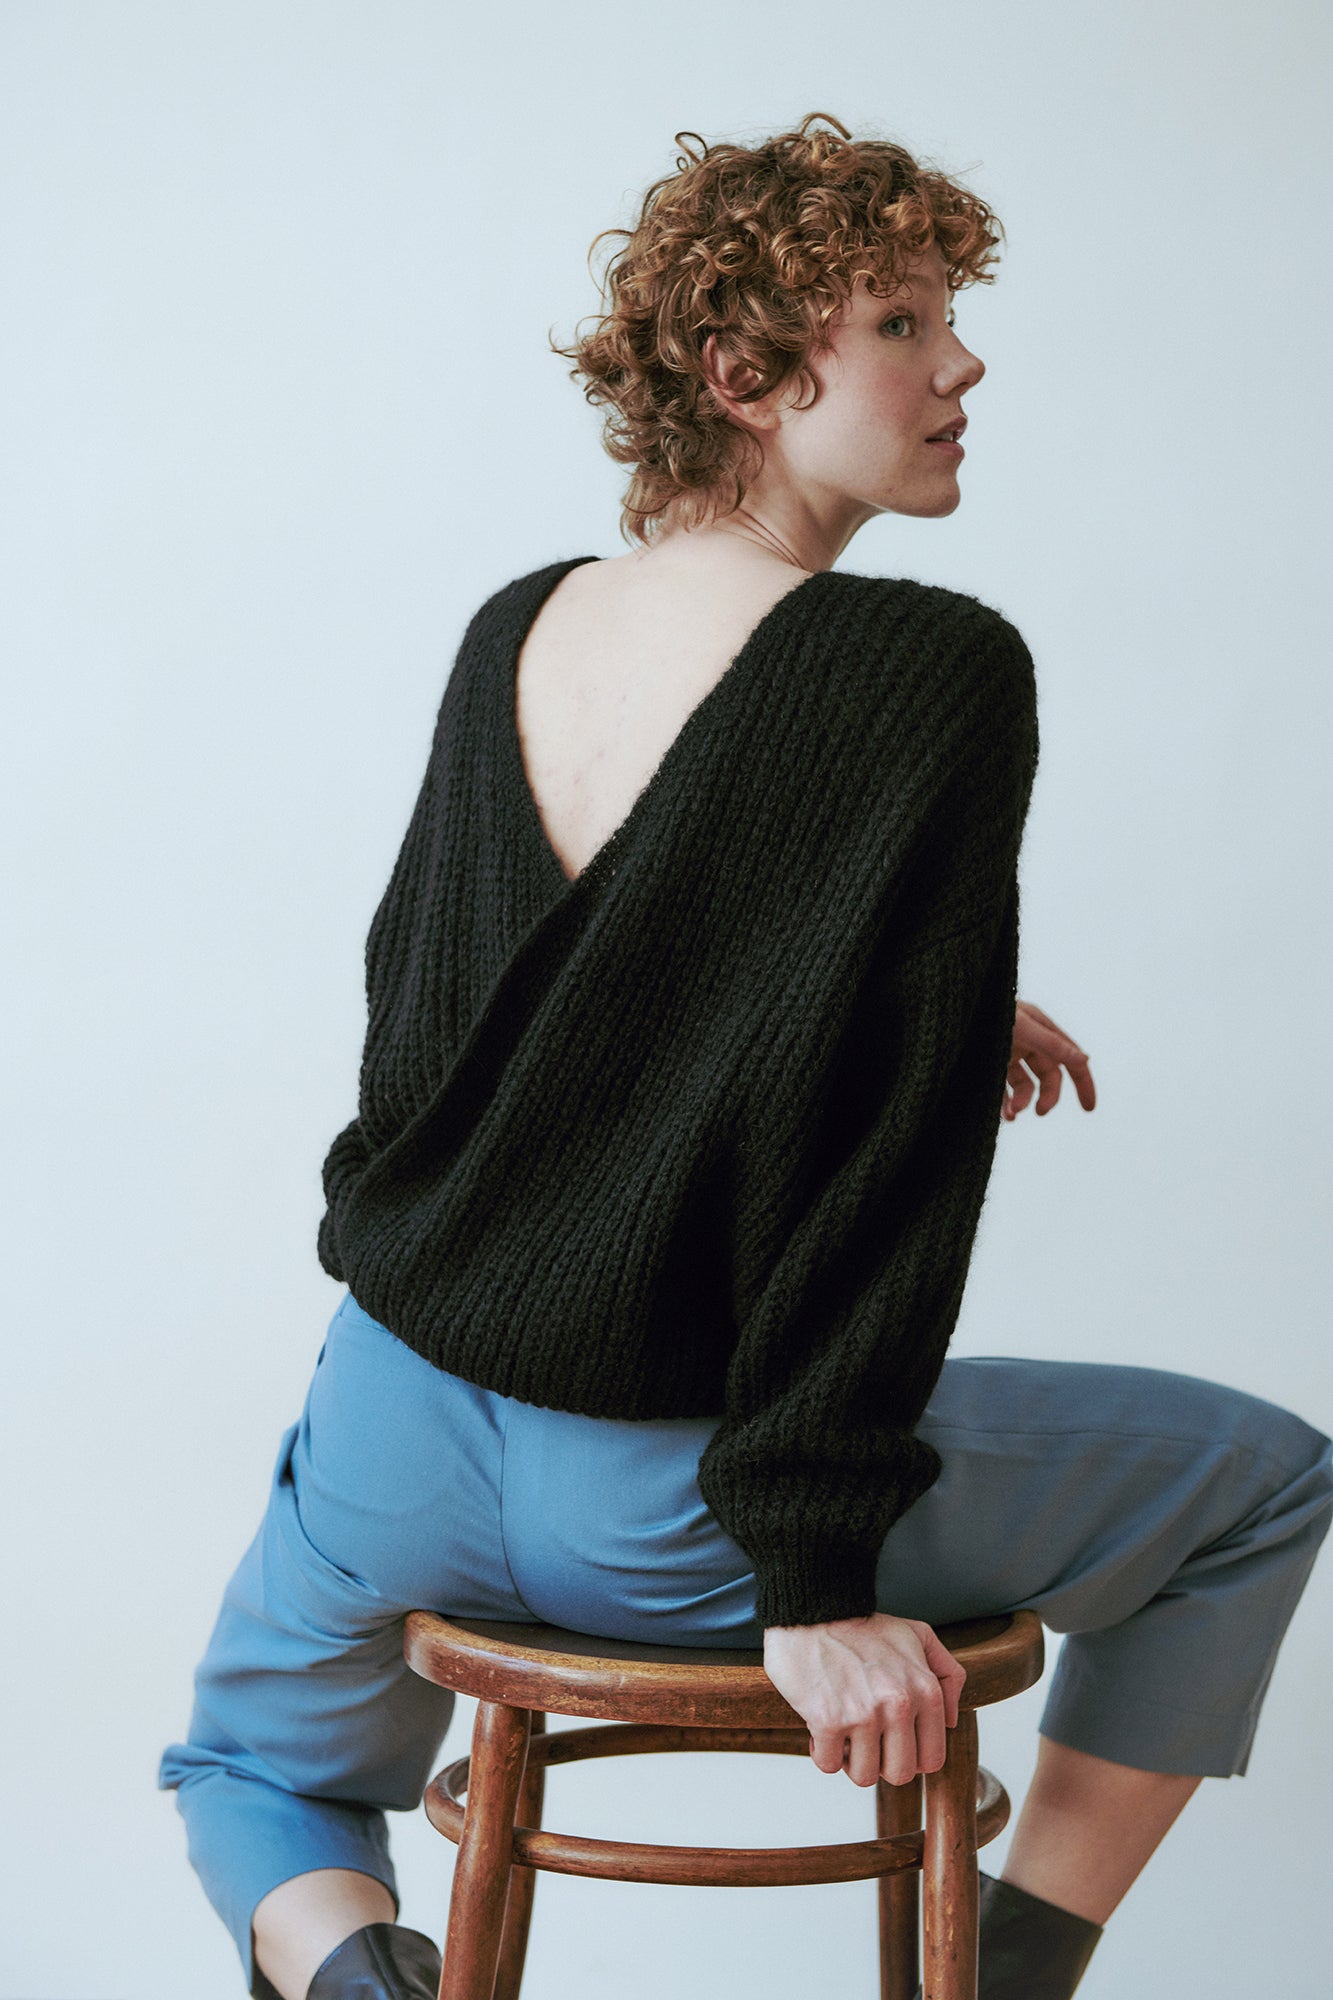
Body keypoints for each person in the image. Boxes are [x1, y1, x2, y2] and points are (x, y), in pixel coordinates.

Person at [159, 112, 1333, 2000]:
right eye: (901, 325)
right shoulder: (928, 668)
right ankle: (1005, 1977)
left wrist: (918, 1006)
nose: (961, 365)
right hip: (674, 1512)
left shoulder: (516, 625)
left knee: (244, 1770)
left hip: (391, 1426)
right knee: (1265, 1479)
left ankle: (358, 1981)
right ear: (741, 374)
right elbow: (884, 1180)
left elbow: (457, 1026)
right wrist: (812, 1579)